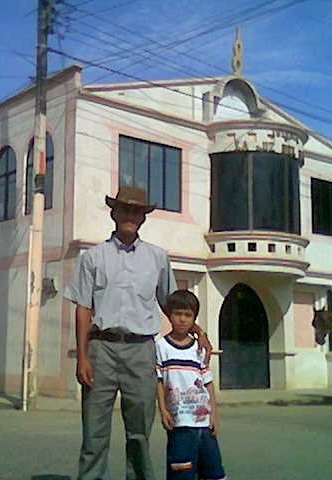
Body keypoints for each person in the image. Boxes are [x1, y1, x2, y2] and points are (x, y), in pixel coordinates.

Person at [64, 186, 212, 480]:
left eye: (137, 211)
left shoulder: (157, 258)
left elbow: (171, 303)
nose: (131, 215)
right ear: (114, 212)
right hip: (101, 350)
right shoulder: (93, 257)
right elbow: (83, 309)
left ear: (143, 217)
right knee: (94, 432)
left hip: (142, 352)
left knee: (140, 433)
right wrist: (82, 357)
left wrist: (198, 331)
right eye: (125, 209)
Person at [156, 290, 227, 480]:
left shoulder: (199, 348)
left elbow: (208, 384)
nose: (182, 319)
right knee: (181, 473)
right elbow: (159, 382)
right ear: (169, 315)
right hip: (179, 425)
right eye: (177, 314)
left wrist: (214, 414)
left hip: (204, 425)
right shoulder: (161, 346)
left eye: (188, 315)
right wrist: (163, 410)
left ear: (194, 318)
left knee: (213, 472)